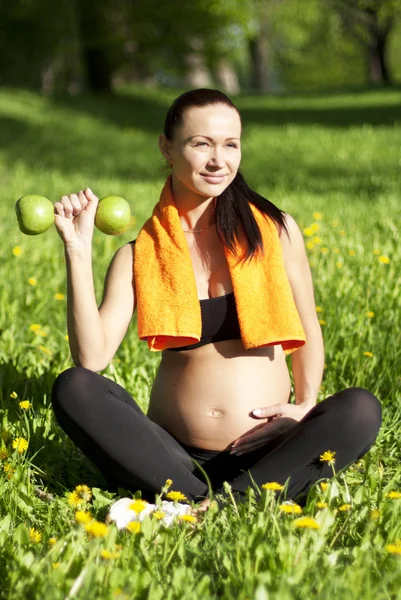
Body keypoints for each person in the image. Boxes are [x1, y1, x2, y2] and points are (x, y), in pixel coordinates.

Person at [51, 88, 382, 522]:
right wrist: (77, 250)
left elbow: (307, 329)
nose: (218, 160)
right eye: (201, 144)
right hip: (173, 457)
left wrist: (304, 407)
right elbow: (91, 359)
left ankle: (195, 508)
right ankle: (227, 504)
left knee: (360, 408)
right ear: (167, 147)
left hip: (270, 449)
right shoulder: (139, 255)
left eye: (230, 145)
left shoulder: (275, 231)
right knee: (74, 386)